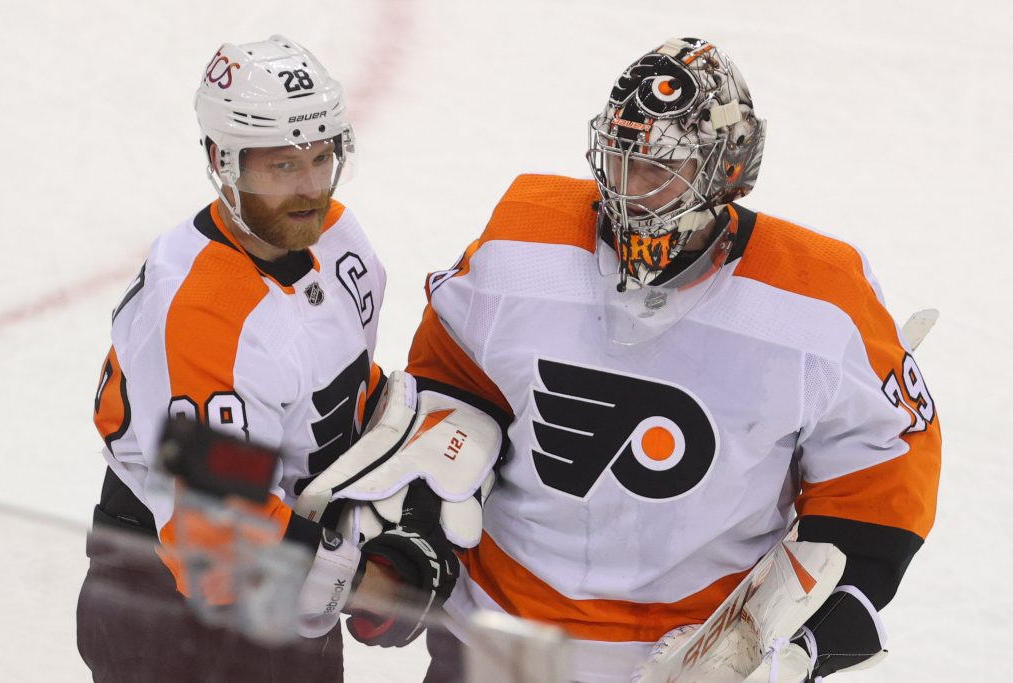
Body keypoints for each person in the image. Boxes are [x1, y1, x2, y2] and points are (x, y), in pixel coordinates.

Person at [399, 37, 941, 682]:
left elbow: (879, 485)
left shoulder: (819, 302)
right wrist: (416, 542)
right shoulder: (521, 246)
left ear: (726, 171)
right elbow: (448, 392)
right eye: (620, 161)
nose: (627, 192)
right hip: (491, 638)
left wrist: (799, 644)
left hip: (690, 656)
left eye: (659, 171)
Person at [77, 34, 450, 682]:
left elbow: (341, 393)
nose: (309, 188)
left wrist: (408, 485)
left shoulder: (338, 238)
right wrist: (367, 584)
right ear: (224, 161)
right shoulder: (203, 315)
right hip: (168, 609)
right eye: (281, 166)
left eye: (320, 157)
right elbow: (219, 548)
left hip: (288, 569)